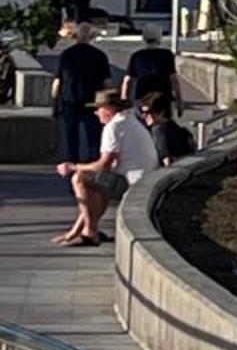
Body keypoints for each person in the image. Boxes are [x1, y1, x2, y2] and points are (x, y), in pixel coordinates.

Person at [52, 90, 158, 247]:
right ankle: (85, 230)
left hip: (133, 184)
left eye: (98, 109)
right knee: (97, 183)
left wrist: (73, 166)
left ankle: (89, 232)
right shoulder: (130, 120)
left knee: (79, 178)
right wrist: (73, 231)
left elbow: (104, 164)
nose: (96, 113)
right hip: (145, 180)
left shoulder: (113, 127)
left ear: (108, 109)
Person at [51, 20, 112, 166]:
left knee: (72, 136)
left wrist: (54, 102)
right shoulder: (99, 56)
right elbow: (107, 83)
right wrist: (110, 103)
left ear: (76, 36)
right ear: (91, 37)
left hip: (70, 100)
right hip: (93, 101)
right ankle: (93, 163)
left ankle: (72, 164)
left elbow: (58, 82)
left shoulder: (66, 55)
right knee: (93, 136)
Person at [121, 29, 182, 116]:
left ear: (144, 39)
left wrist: (124, 100)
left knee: (142, 123)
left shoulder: (137, 56)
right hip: (163, 97)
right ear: (160, 38)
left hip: (141, 97)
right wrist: (179, 101)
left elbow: (127, 80)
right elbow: (173, 79)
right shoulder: (166, 55)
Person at [139, 93, 195, 165]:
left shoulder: (158, 131)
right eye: (142, 112)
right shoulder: (175, 127)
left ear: (161, 112)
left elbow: (166, 159)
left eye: (148, 112)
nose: (143, 116)